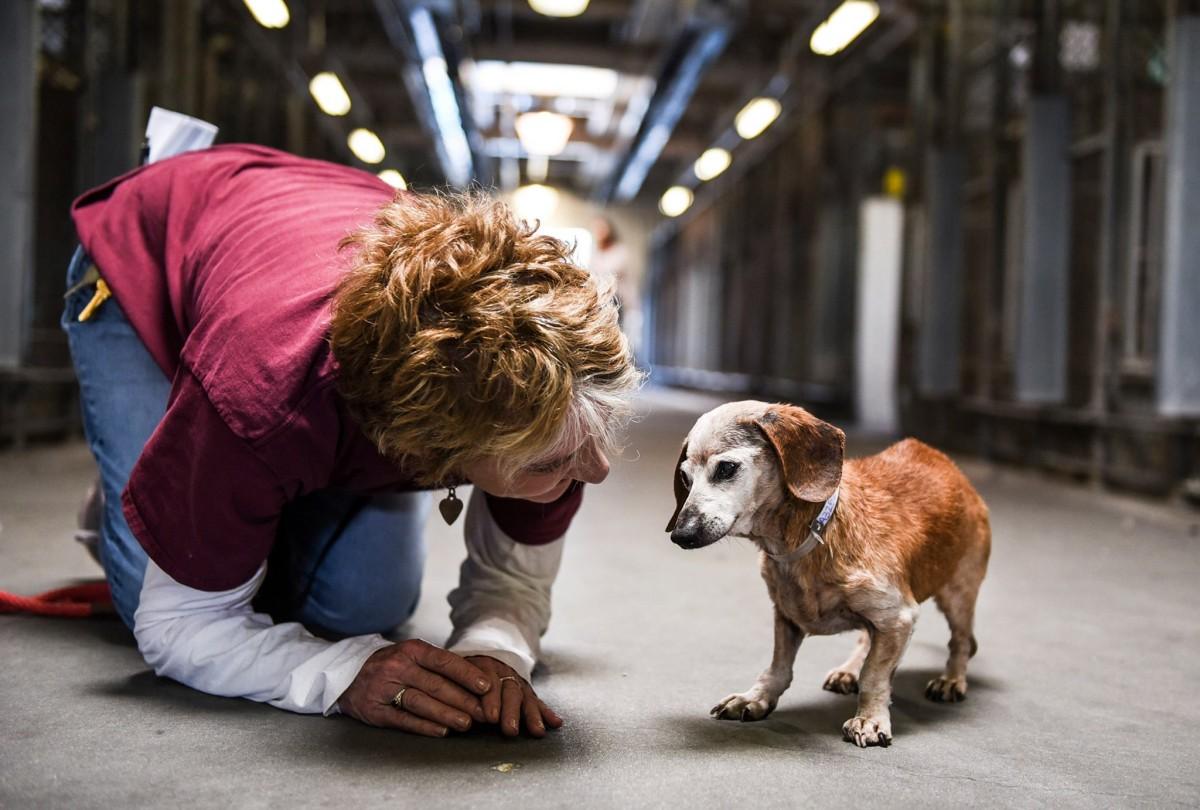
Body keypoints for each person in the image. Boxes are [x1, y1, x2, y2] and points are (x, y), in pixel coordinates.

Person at [64, 144, 640, 738]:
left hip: (306, 228)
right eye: (558, 460)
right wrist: (340, 673)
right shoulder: (256, 399)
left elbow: (514, 580)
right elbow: (180, 628)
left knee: (362, 607)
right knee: (149, 598)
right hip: (149, 253)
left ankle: (232, 504)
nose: (596, 470)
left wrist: (494, 650)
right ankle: (142, 491)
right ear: (436, 444)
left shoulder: (560, 407)